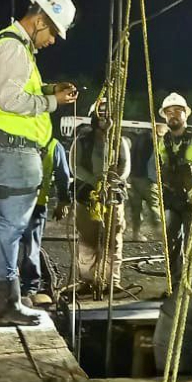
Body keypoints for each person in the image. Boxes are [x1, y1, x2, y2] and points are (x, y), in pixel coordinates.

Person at [0, 0, 78, 325]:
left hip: (10, 150)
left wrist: (48, 89)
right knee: (11, 228)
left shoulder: (17, 49)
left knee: (9, 227)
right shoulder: (13, 48)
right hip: (12, 150)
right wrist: (52, 103)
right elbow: (10, 100)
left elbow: (20, 91)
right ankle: (6, 305)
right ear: (38, 21)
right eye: (51, 32)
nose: (52, 41)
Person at [73, 100, 130, 294]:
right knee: (87, 241)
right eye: (101, 113)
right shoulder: (82, 141)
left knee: (113, 240)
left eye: (108, 114)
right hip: (88, 197)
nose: (105, 117)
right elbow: (75, 165)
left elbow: (125, 166)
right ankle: (87, 281)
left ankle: (111, 281)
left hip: (112, 197)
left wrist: (112, 181)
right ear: (94, 117)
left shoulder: (119, 141)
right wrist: (94, 181)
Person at [154, 93, 192, 283]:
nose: (173, 115)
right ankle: (175, 282)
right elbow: (160, 166)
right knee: (170, 241)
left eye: (177, 111)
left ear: (186, 115)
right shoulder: (163, 141)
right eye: (169, 112)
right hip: (172, 198)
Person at [19, 136, 72, 306]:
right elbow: (62, 175)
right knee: (30, 246)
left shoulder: (17, 138)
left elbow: (62, 176)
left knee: (19, 245)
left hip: (21, 202)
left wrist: (63, 201)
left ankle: (22, 286)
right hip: (30, 203)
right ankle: (28, 287)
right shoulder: (53, 145)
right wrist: (63, 201)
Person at [126, 124, 166, 242]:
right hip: (147, 179)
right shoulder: (155, 141)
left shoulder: (139, 138)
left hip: (134, 177)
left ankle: (135, 233)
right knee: (155, 207)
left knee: (136, 208)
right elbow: (153, 162)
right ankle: (160, 234)